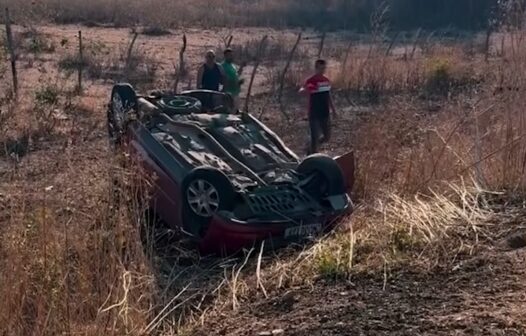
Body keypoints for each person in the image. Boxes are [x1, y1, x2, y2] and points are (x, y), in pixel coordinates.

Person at [300, 59, 337, 154]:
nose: (322, 71)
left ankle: (310, 145)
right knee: (314, 136)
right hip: (314, 112)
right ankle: (312, 155)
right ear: (316, 68)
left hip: (325, 112)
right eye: (320, 68)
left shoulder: (326, 81)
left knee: (327, 136)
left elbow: (328, 95)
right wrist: (303, 90)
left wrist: (334, 110)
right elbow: (304, 90)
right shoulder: (311, 81)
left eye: (324, 68)